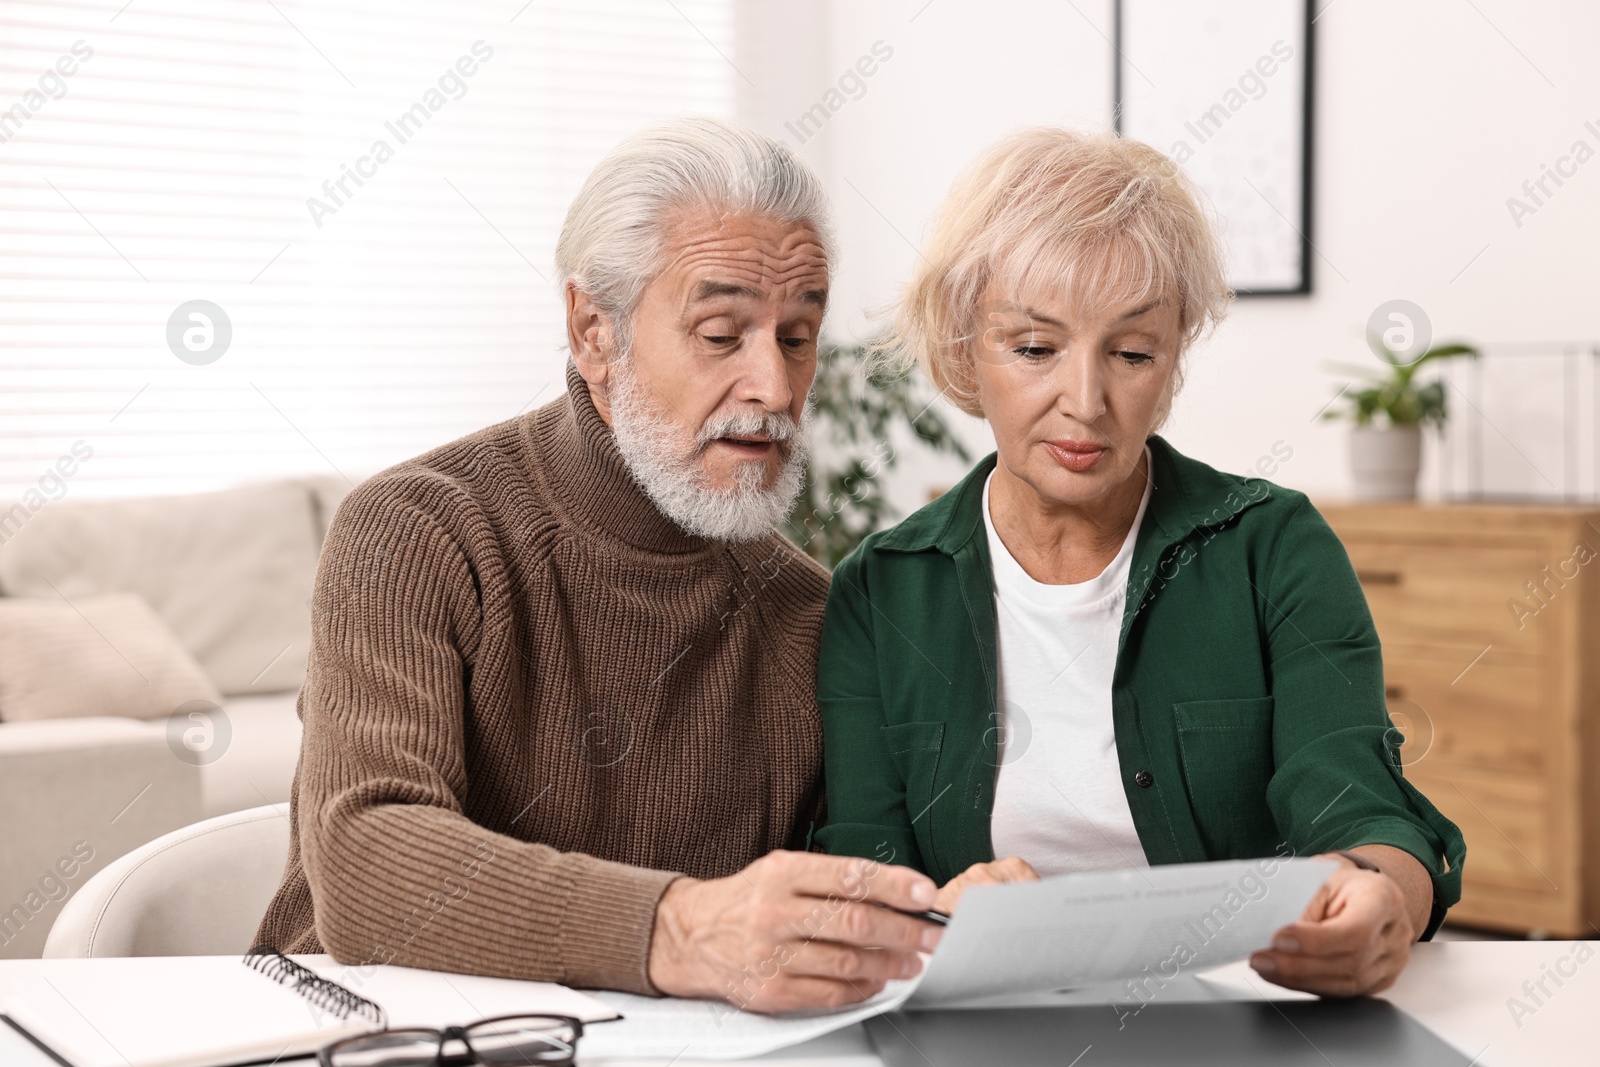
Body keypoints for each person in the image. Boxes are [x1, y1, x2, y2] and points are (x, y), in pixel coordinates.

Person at [256, 117, 942, 1014]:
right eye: (722, 332)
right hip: (360, 1031)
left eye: (798, 336)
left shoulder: (810, 612)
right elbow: (368, 859)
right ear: (594, 333)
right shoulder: (417, 531)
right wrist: (682, 927)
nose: (774, 388)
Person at [814, 127, 1466, 998]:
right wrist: (932, 912)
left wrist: (1382, 895)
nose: (1085, 404)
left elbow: (1364, 806)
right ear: (964, 345)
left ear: (1173, 358)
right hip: (983, 1023)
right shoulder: (882, 590)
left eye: (1131, 353)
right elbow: (859, 867)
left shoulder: (1272, 547)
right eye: (1036, 348)